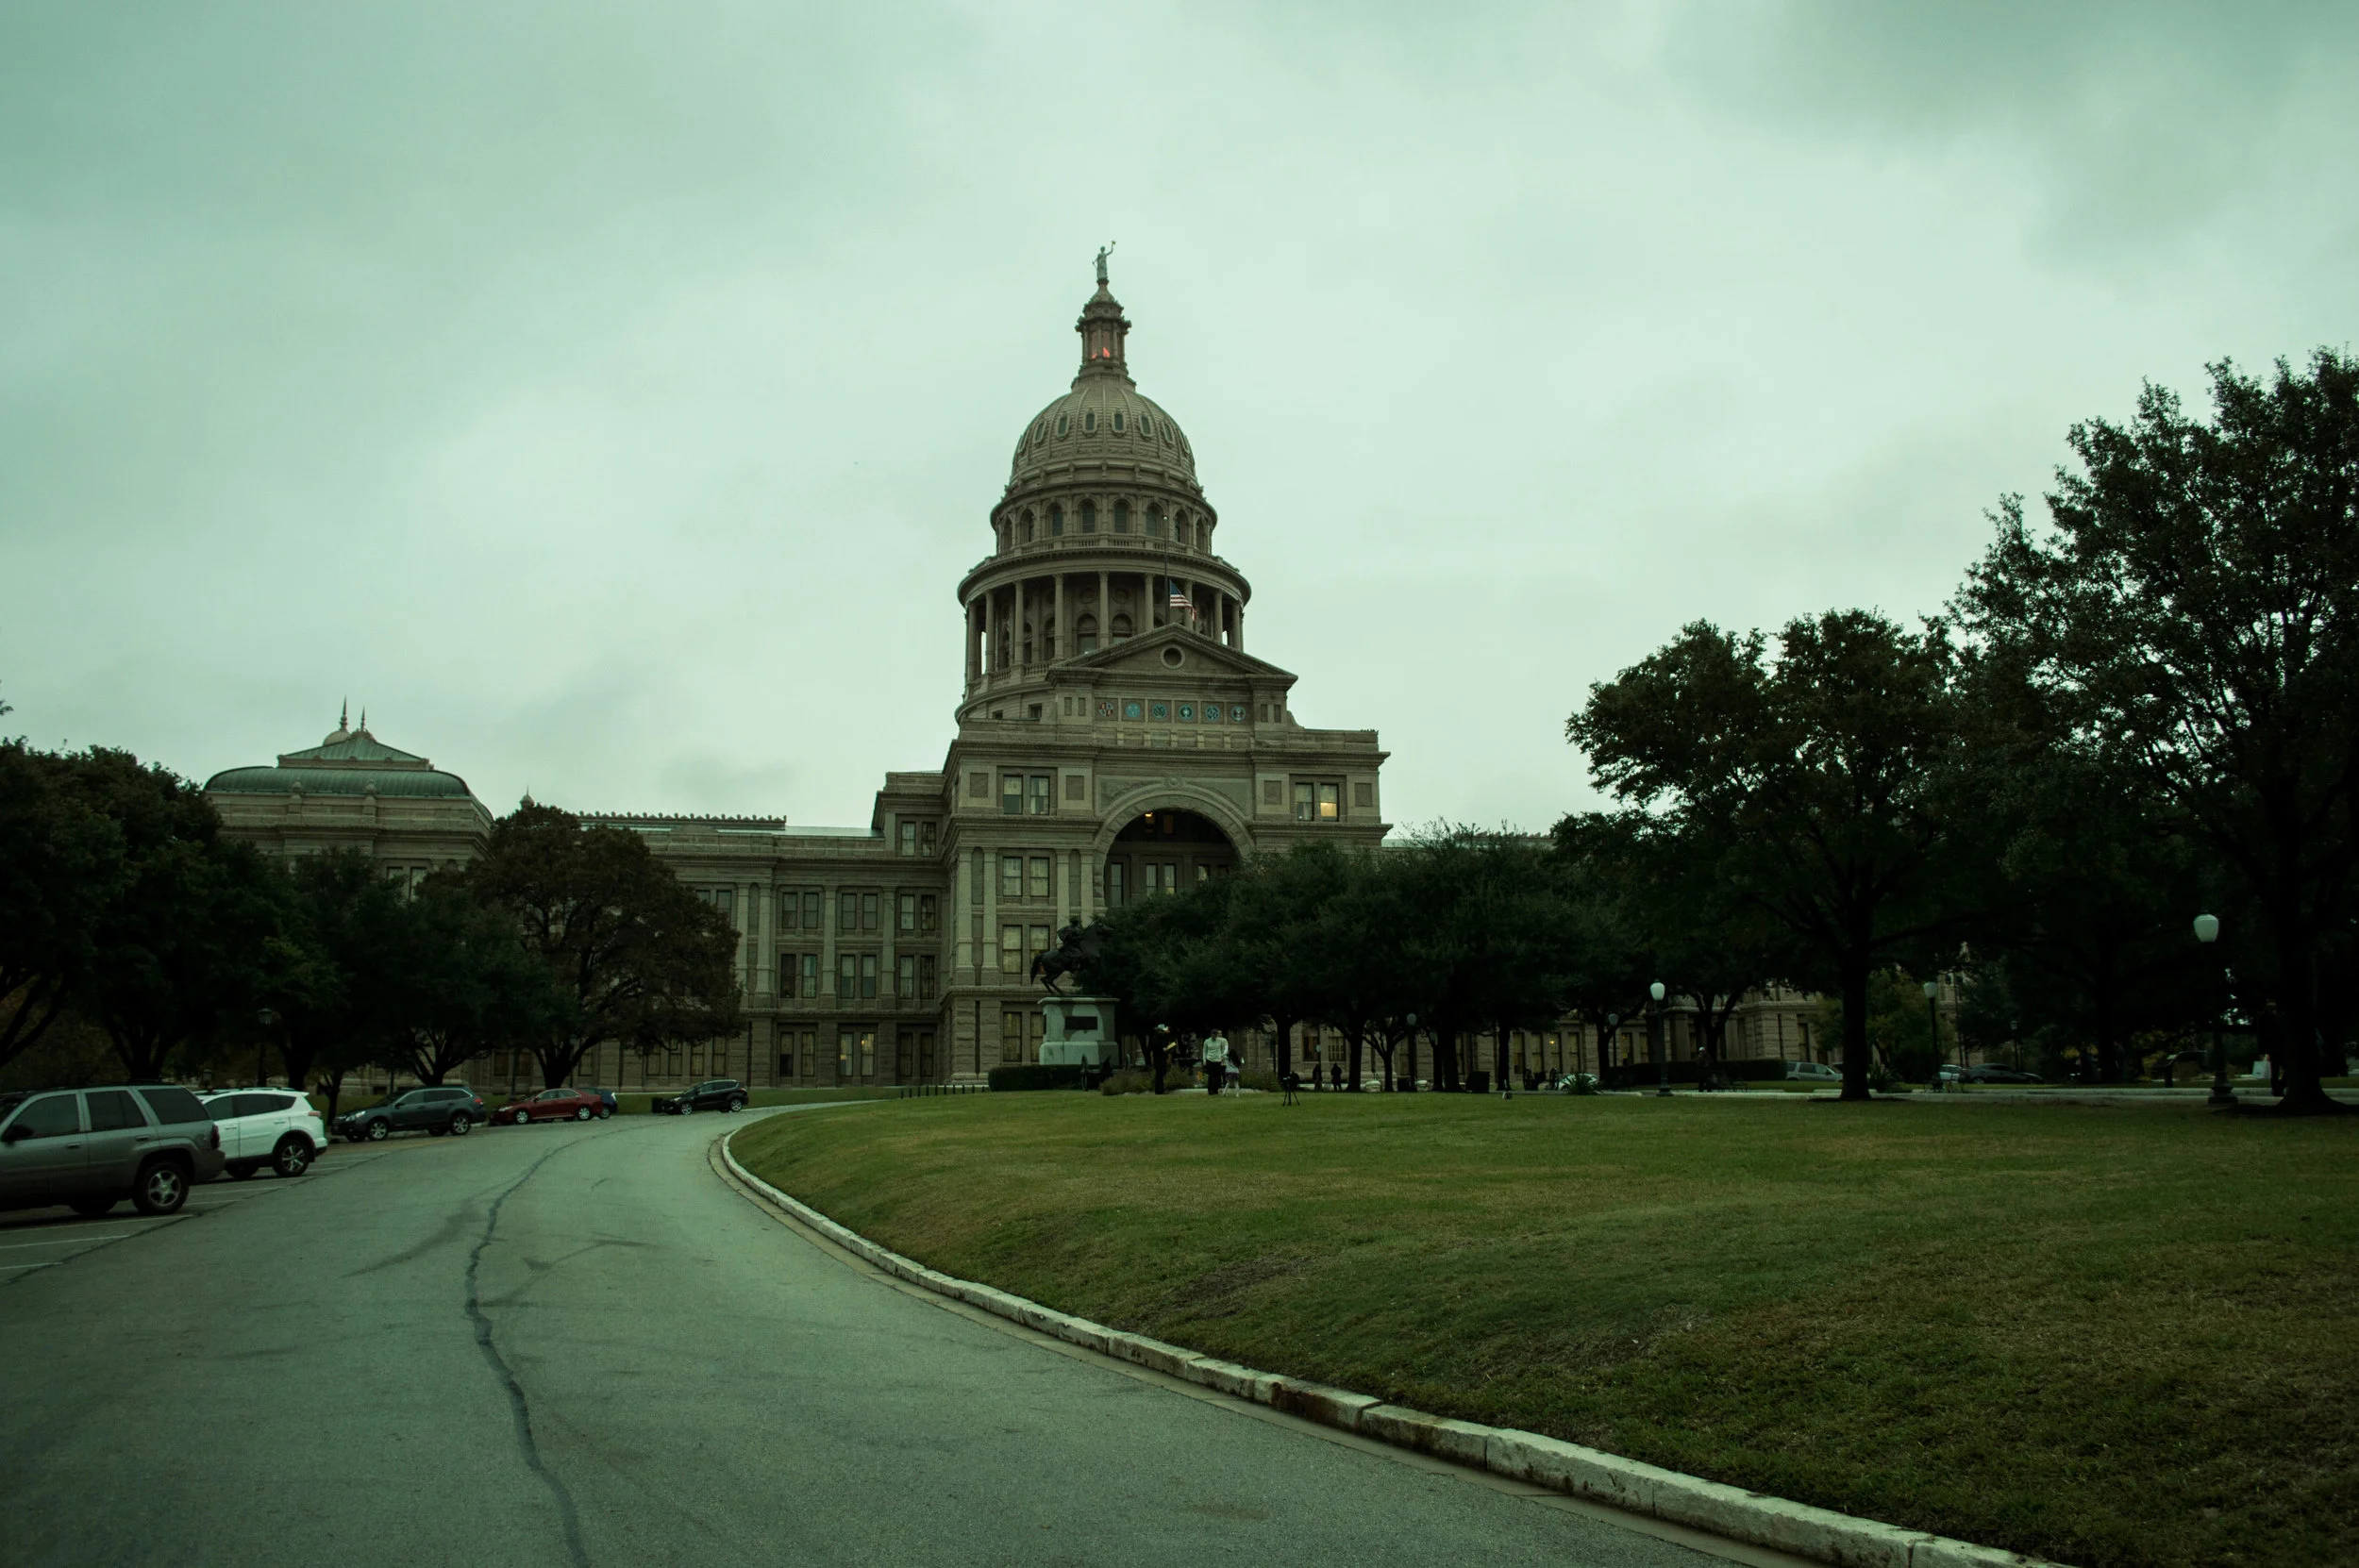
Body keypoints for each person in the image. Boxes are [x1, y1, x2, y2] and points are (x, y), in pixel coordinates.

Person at [1202, 1029, 1230, 1095]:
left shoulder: (1220, 1041)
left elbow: (1223, 1049)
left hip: (1218, 1060)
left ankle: (1215, 1090)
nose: (1214, 1036)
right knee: (1210, 1076)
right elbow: (1204, 1051)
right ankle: (1210, 1090)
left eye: (1215, 1035)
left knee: (1217, 1076)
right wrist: (1204, 1060)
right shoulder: (1207, 1041)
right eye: (1213, 1035)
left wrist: (1222, 1056)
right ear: (1211, 1034)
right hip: (1209, 1059)